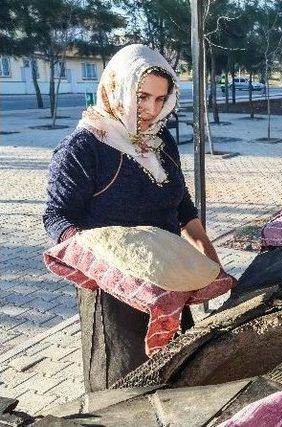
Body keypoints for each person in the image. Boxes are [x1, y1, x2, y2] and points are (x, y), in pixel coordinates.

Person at [43, 44, 221, 391]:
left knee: (178, 379)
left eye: (159, 99)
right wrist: (101, 257)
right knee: (124, 391)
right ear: (117, 87)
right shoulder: (84, 148)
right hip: (115, 295)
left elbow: (181, 204)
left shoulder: (161, 141)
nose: (151, 110)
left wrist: (209, 256)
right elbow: (56, 215)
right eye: (142, 97)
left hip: (169, 280)